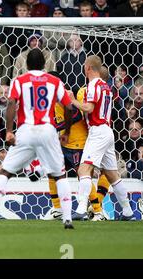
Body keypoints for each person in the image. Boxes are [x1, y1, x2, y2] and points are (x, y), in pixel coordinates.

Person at [0, 48, 75, 229]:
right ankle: (67, 218)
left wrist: (9, 131)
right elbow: (69, 108)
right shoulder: (55, 81)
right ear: (44, 65)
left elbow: (11, 103)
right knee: (60, 175)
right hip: (48, 130)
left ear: (27, 64)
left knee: (5, 172)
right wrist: (67, 133)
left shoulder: (19, 80)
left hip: (25, 131)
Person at [68, 55, 135, 221]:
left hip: (98, 132)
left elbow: (88, 108)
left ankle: (81, 209)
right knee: (112, 174)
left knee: (84, 169)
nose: (84, 68)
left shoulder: (93, 85)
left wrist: (72, 100)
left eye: (85, 65)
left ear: (89, 67)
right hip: (106, 130)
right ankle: (128, 212)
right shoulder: (106, 86)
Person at [44, 68, 111, 221]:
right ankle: (57, 209)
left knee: (83, 175)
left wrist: (55, 127)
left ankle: (97, 211)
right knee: (53, 171)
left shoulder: (64, 94)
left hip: (77, 143)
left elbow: (75, 115)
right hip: (65, 142)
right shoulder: (53, 95)